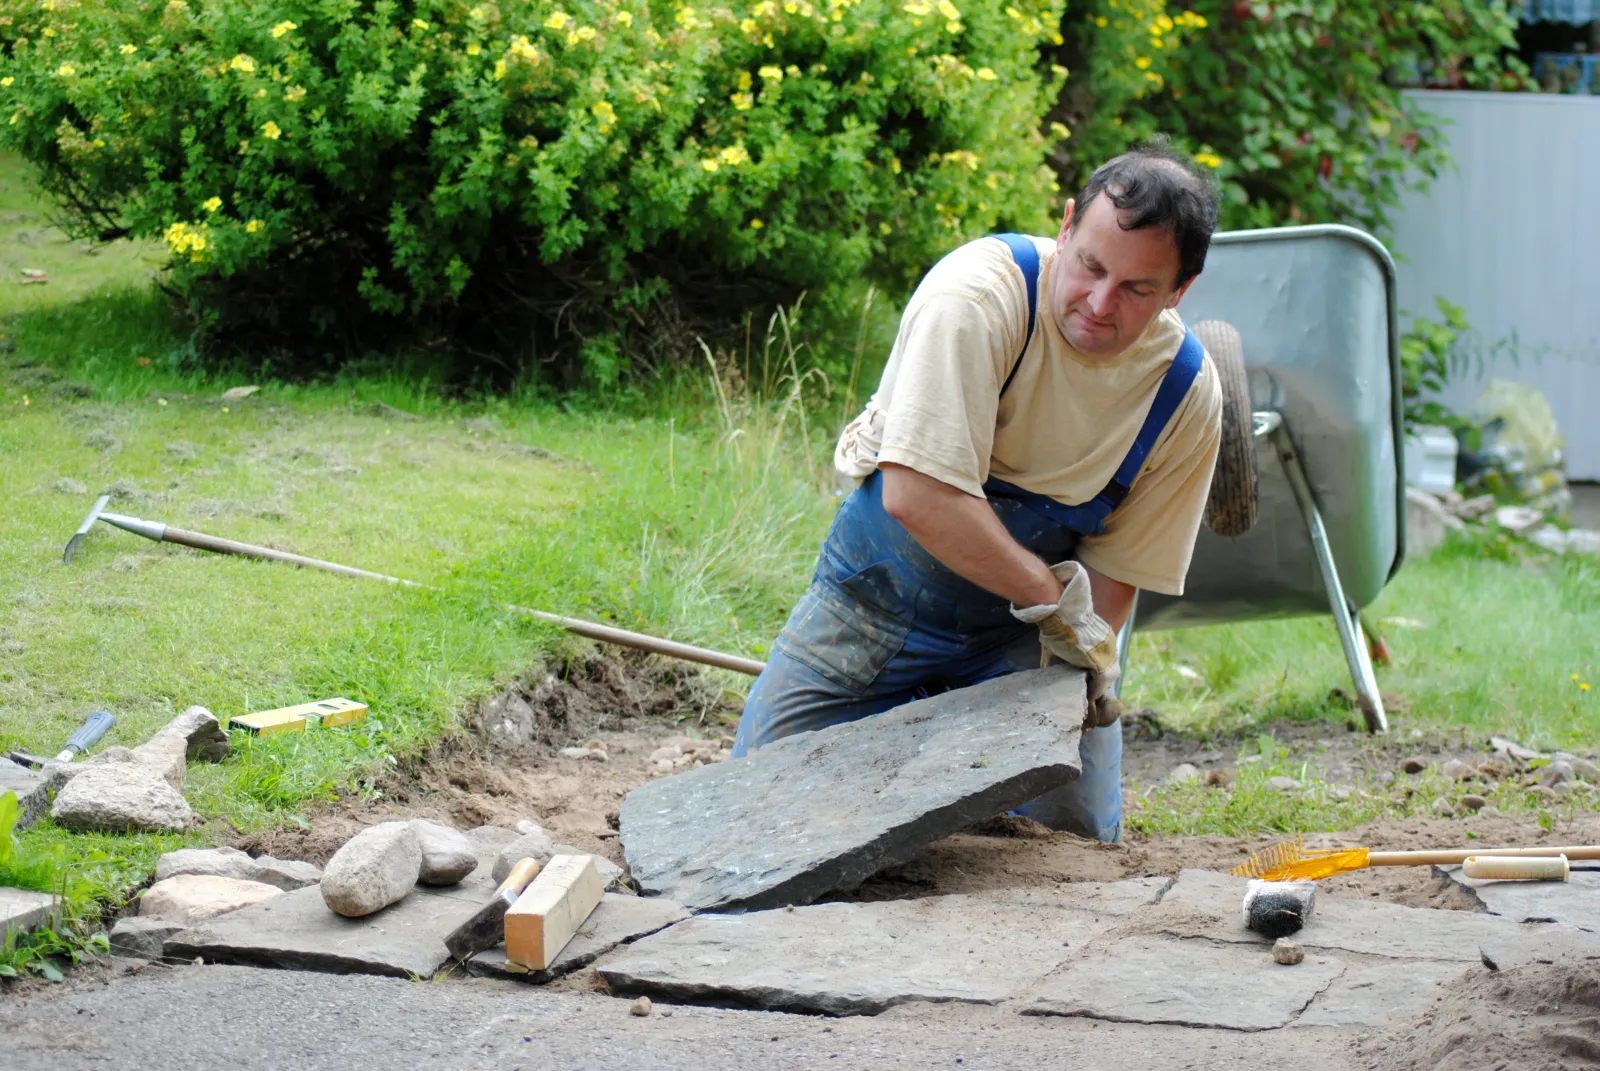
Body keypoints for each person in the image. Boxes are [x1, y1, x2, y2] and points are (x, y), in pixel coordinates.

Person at [731, 140, 1224, 843]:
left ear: (1180, 291)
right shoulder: (977, 298)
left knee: (1075, 847)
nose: (1099, 301)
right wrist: (1055, 600)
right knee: (749, 816)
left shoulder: (1184, 394)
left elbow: (1114, 583)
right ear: (1064, 227)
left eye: (1138, 289)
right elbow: (917, 496)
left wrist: (1074, 666)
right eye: (1089, 265)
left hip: (1024, 647)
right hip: (876, 602)